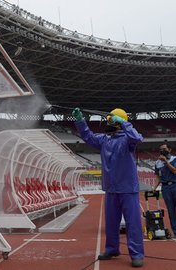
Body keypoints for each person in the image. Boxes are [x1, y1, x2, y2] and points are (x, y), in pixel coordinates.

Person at [73, 107, 144, 268]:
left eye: (111, 119)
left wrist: (125, 123)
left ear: (118, 122)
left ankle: (137, 254)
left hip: (127, 188)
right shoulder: (105, 139)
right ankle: (112, 249)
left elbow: (138, 138)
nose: (108, 122)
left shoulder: (128, 138)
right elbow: (87, 136)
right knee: (111, 223)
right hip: (111, 189)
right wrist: (80, 121)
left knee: (133, 224)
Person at [152, 144, 176, 240]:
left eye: (164, 149)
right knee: (171, 211)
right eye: (160, 149)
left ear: (169, 149)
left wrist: (166, 162)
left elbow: (175, 171)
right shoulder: (157, 163)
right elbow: (158, 177)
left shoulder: (175, 158)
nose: (162, 150)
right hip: (165, 188)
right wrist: (154, 188)